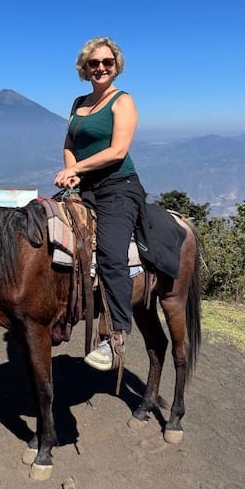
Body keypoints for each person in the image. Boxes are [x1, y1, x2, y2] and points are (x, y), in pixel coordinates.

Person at [54, 36, 147, 371]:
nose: (101, 68)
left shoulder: (122, 101)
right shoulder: (78, 102)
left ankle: (117, 335)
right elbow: (69, 142)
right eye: (94, 63)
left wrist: (75, 168)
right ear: (85, 67)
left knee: (110, 255)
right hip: (86, 189)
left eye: (107, 62)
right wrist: (71, 170)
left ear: (116, 66)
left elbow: (117, 151)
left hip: (118, 189)